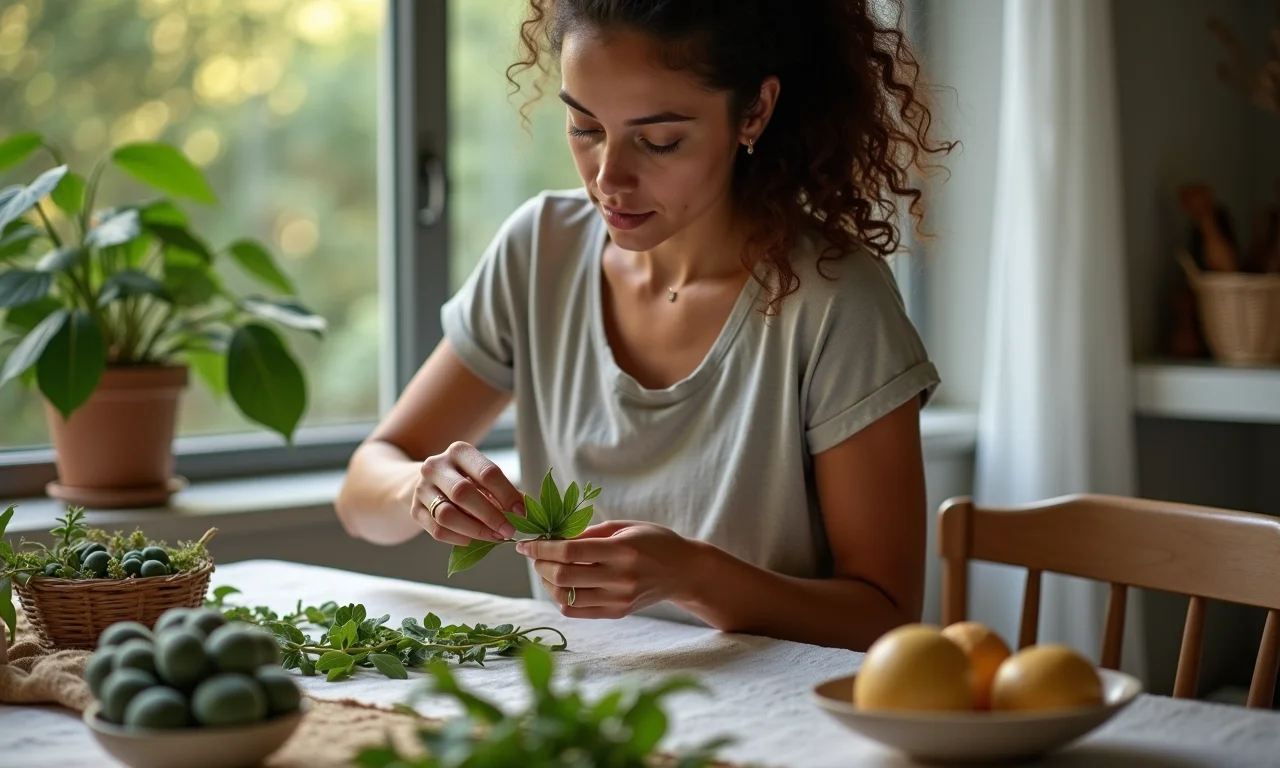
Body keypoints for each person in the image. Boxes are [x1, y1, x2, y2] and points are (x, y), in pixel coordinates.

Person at [335, 0, 953, 652]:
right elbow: (361, 491)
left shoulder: (835, 302)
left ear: (754, 112)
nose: (609, 180)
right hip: (575, 702)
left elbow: (885, 618)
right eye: (584, 127)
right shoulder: (539, 250)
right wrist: (421, 489)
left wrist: (693, 575)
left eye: (658, 141)